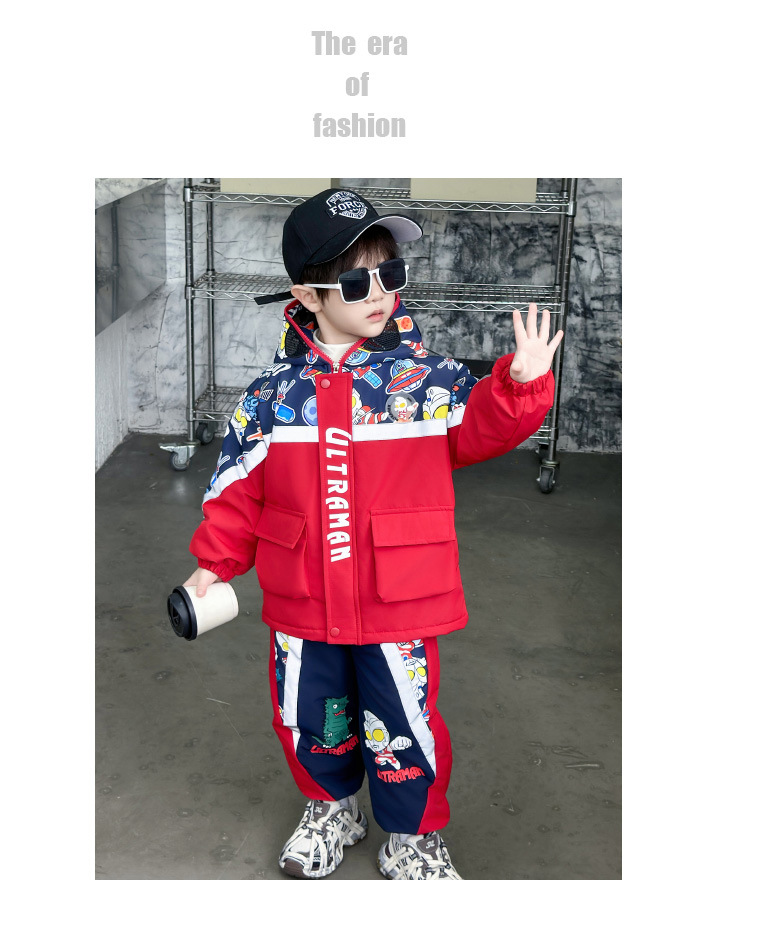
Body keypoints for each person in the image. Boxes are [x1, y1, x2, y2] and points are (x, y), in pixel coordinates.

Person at [183, 188, 562, 880]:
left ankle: (413, 837)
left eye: (391, 273)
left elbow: (482, 429)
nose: (381, 292)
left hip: (398, 599)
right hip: (304, 601)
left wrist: (519, 385)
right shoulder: (270, 397)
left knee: (405, 724)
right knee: (310, 719)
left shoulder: (427, 382)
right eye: (357, 282)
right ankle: (331, 808)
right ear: (308, 295)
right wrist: (214, 563)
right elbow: (236, 489)